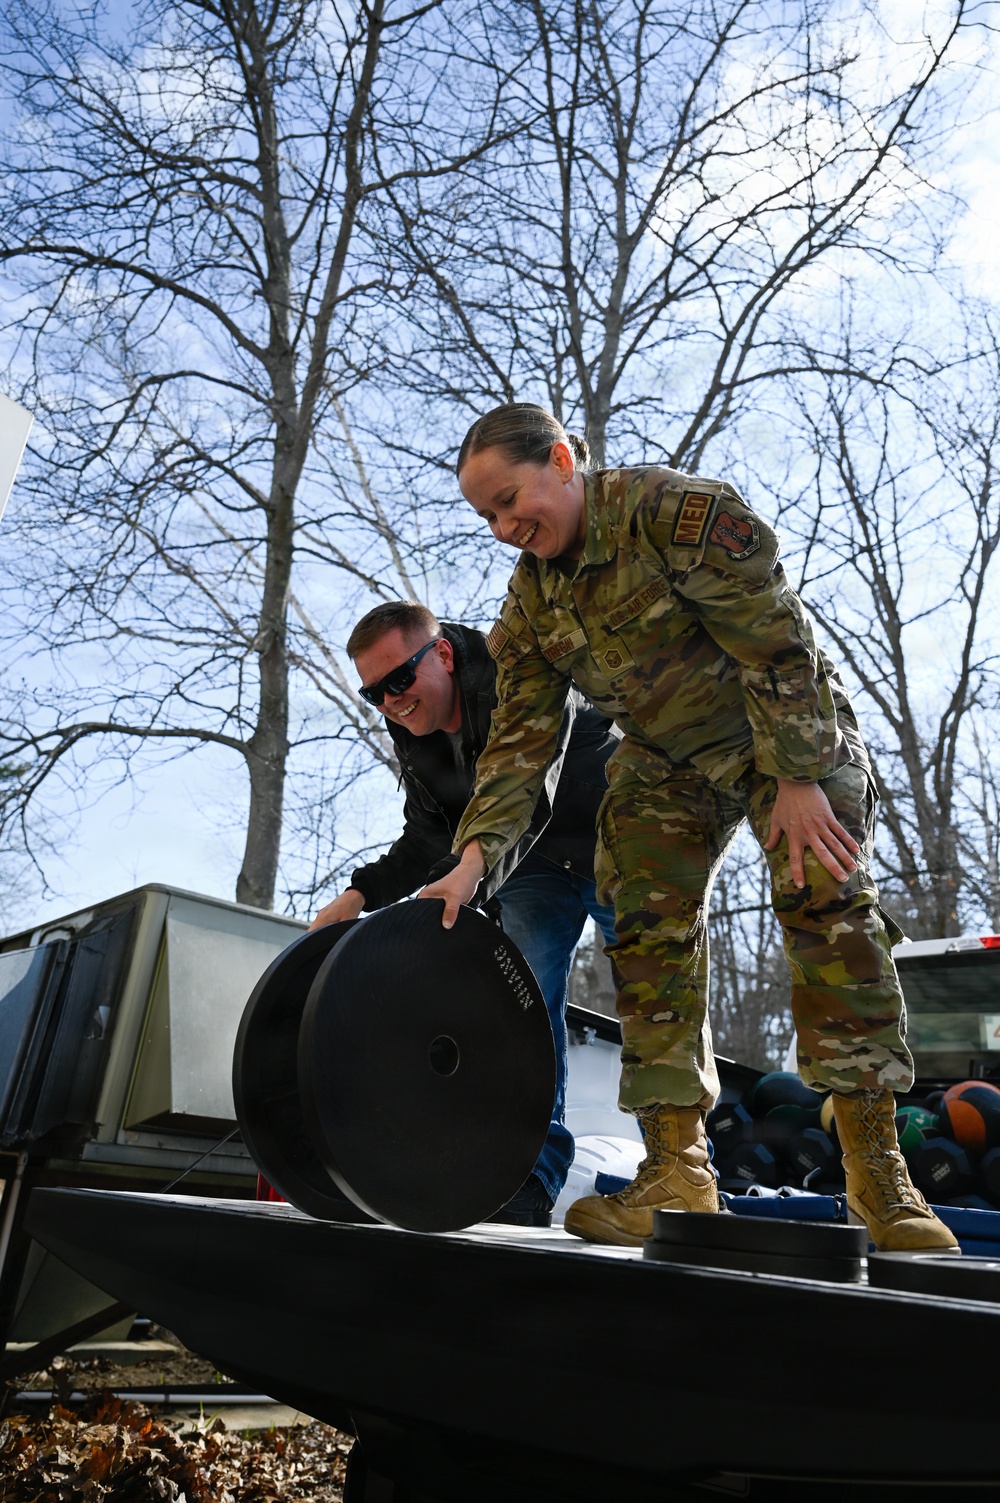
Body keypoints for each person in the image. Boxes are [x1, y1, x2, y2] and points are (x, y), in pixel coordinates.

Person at [419, 402, 958, 1255]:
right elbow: (520, 748)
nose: (503, 528)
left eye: (510, 499)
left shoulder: (672, 513)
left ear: (561, 460)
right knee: (641, 916)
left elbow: (777, 641)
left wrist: (796, 776)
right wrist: (472, 861)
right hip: (670, 759)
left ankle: (879, 1176)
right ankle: (677, 1168)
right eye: (486, 516)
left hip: (782, 730)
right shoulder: (531, 607)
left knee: (824, 900)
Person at [310, 600, 619, 1225]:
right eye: (374, 694)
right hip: (523, 867)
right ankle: (530, 1176)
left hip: (615, 832)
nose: (391, 702)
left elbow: (528, 785)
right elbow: (430, 834)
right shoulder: (413, 727)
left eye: (400, 679)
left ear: (444, 654)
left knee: (655, 995)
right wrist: (360, 893)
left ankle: (682, 1170)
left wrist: (472, 869)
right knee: (523, 1009)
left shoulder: (517, 669)